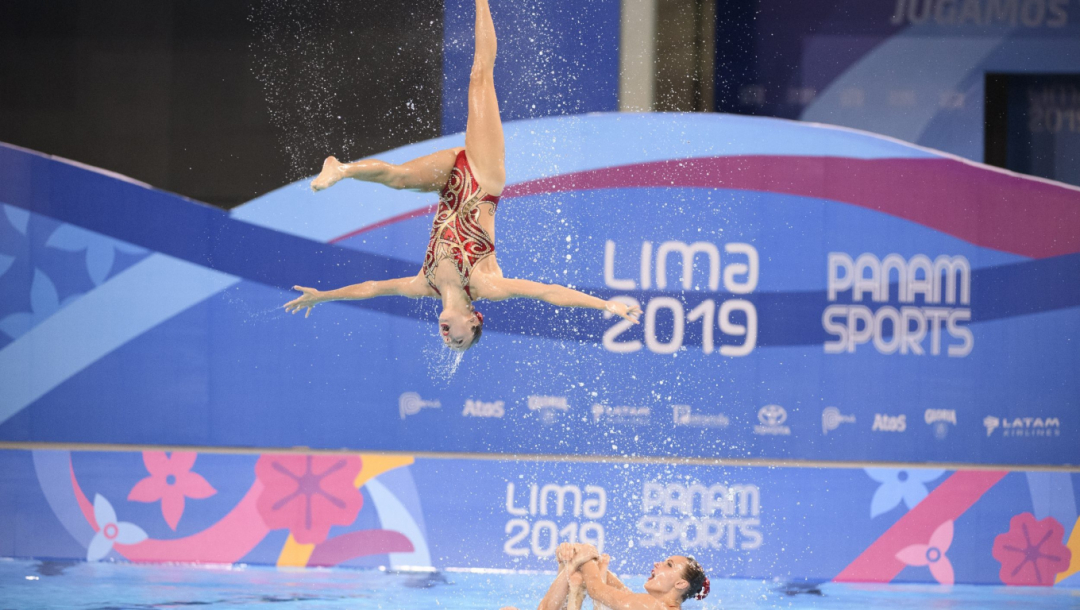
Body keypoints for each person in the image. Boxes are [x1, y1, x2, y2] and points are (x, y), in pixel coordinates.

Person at [284, 0, 641, 351]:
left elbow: (373, 287)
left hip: (450, 186)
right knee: (479, 76)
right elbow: (549, 293)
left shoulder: (424, 284)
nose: (446, 336)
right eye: (458, 339)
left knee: (399, 179)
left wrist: (323, 296)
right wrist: (605, 305)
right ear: (474, 321)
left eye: (447, 343)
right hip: (483, 180)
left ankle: (341, 169)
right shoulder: (487, 285)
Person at [569, 544, 710, 610]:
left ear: (680, 584)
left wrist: (585, 555)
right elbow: (624, 594)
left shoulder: (651, 605)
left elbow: (596, 590)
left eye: (669, 565)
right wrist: (598, 563)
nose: (657, 563)